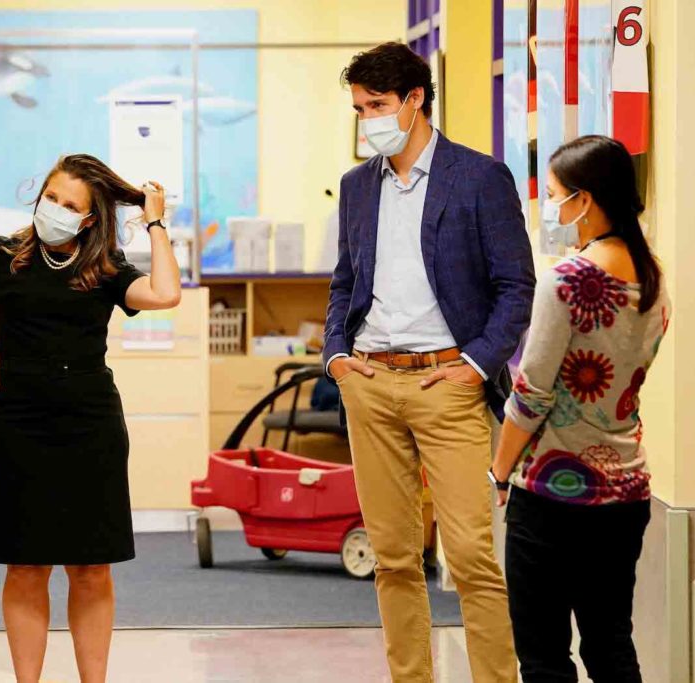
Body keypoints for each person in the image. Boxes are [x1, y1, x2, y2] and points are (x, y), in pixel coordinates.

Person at [0, 154, 181, 683]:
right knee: (25, 563)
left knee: (91, 567)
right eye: (50, 197)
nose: (54, 209)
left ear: (88, 219)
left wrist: (154, 222)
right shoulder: (4, 256)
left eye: (69, 205)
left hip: (91, 426)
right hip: (19, 423)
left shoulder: (103, 265)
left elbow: (165, 293)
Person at [324, 42, 535, 682]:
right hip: (370, 381)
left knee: (471, 556)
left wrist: (475, 366)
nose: (369, 121)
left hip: (449, 383)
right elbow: (343, 282)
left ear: (416, 100)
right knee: (392, 557)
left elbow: (515, 287)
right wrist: (336, 355)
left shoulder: (479, 176)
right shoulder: (359, 185)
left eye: (378, 106)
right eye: (360, 109)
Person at [492, 135, 669, 682]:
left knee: (544, 655)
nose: (552, 207)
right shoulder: (653, 277)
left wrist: (500, 472)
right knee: (611, 642)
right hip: (625, 492)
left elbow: (532, 395)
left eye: (554, 194)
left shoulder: (568, 280)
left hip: (551, 496)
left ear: (585, 201)